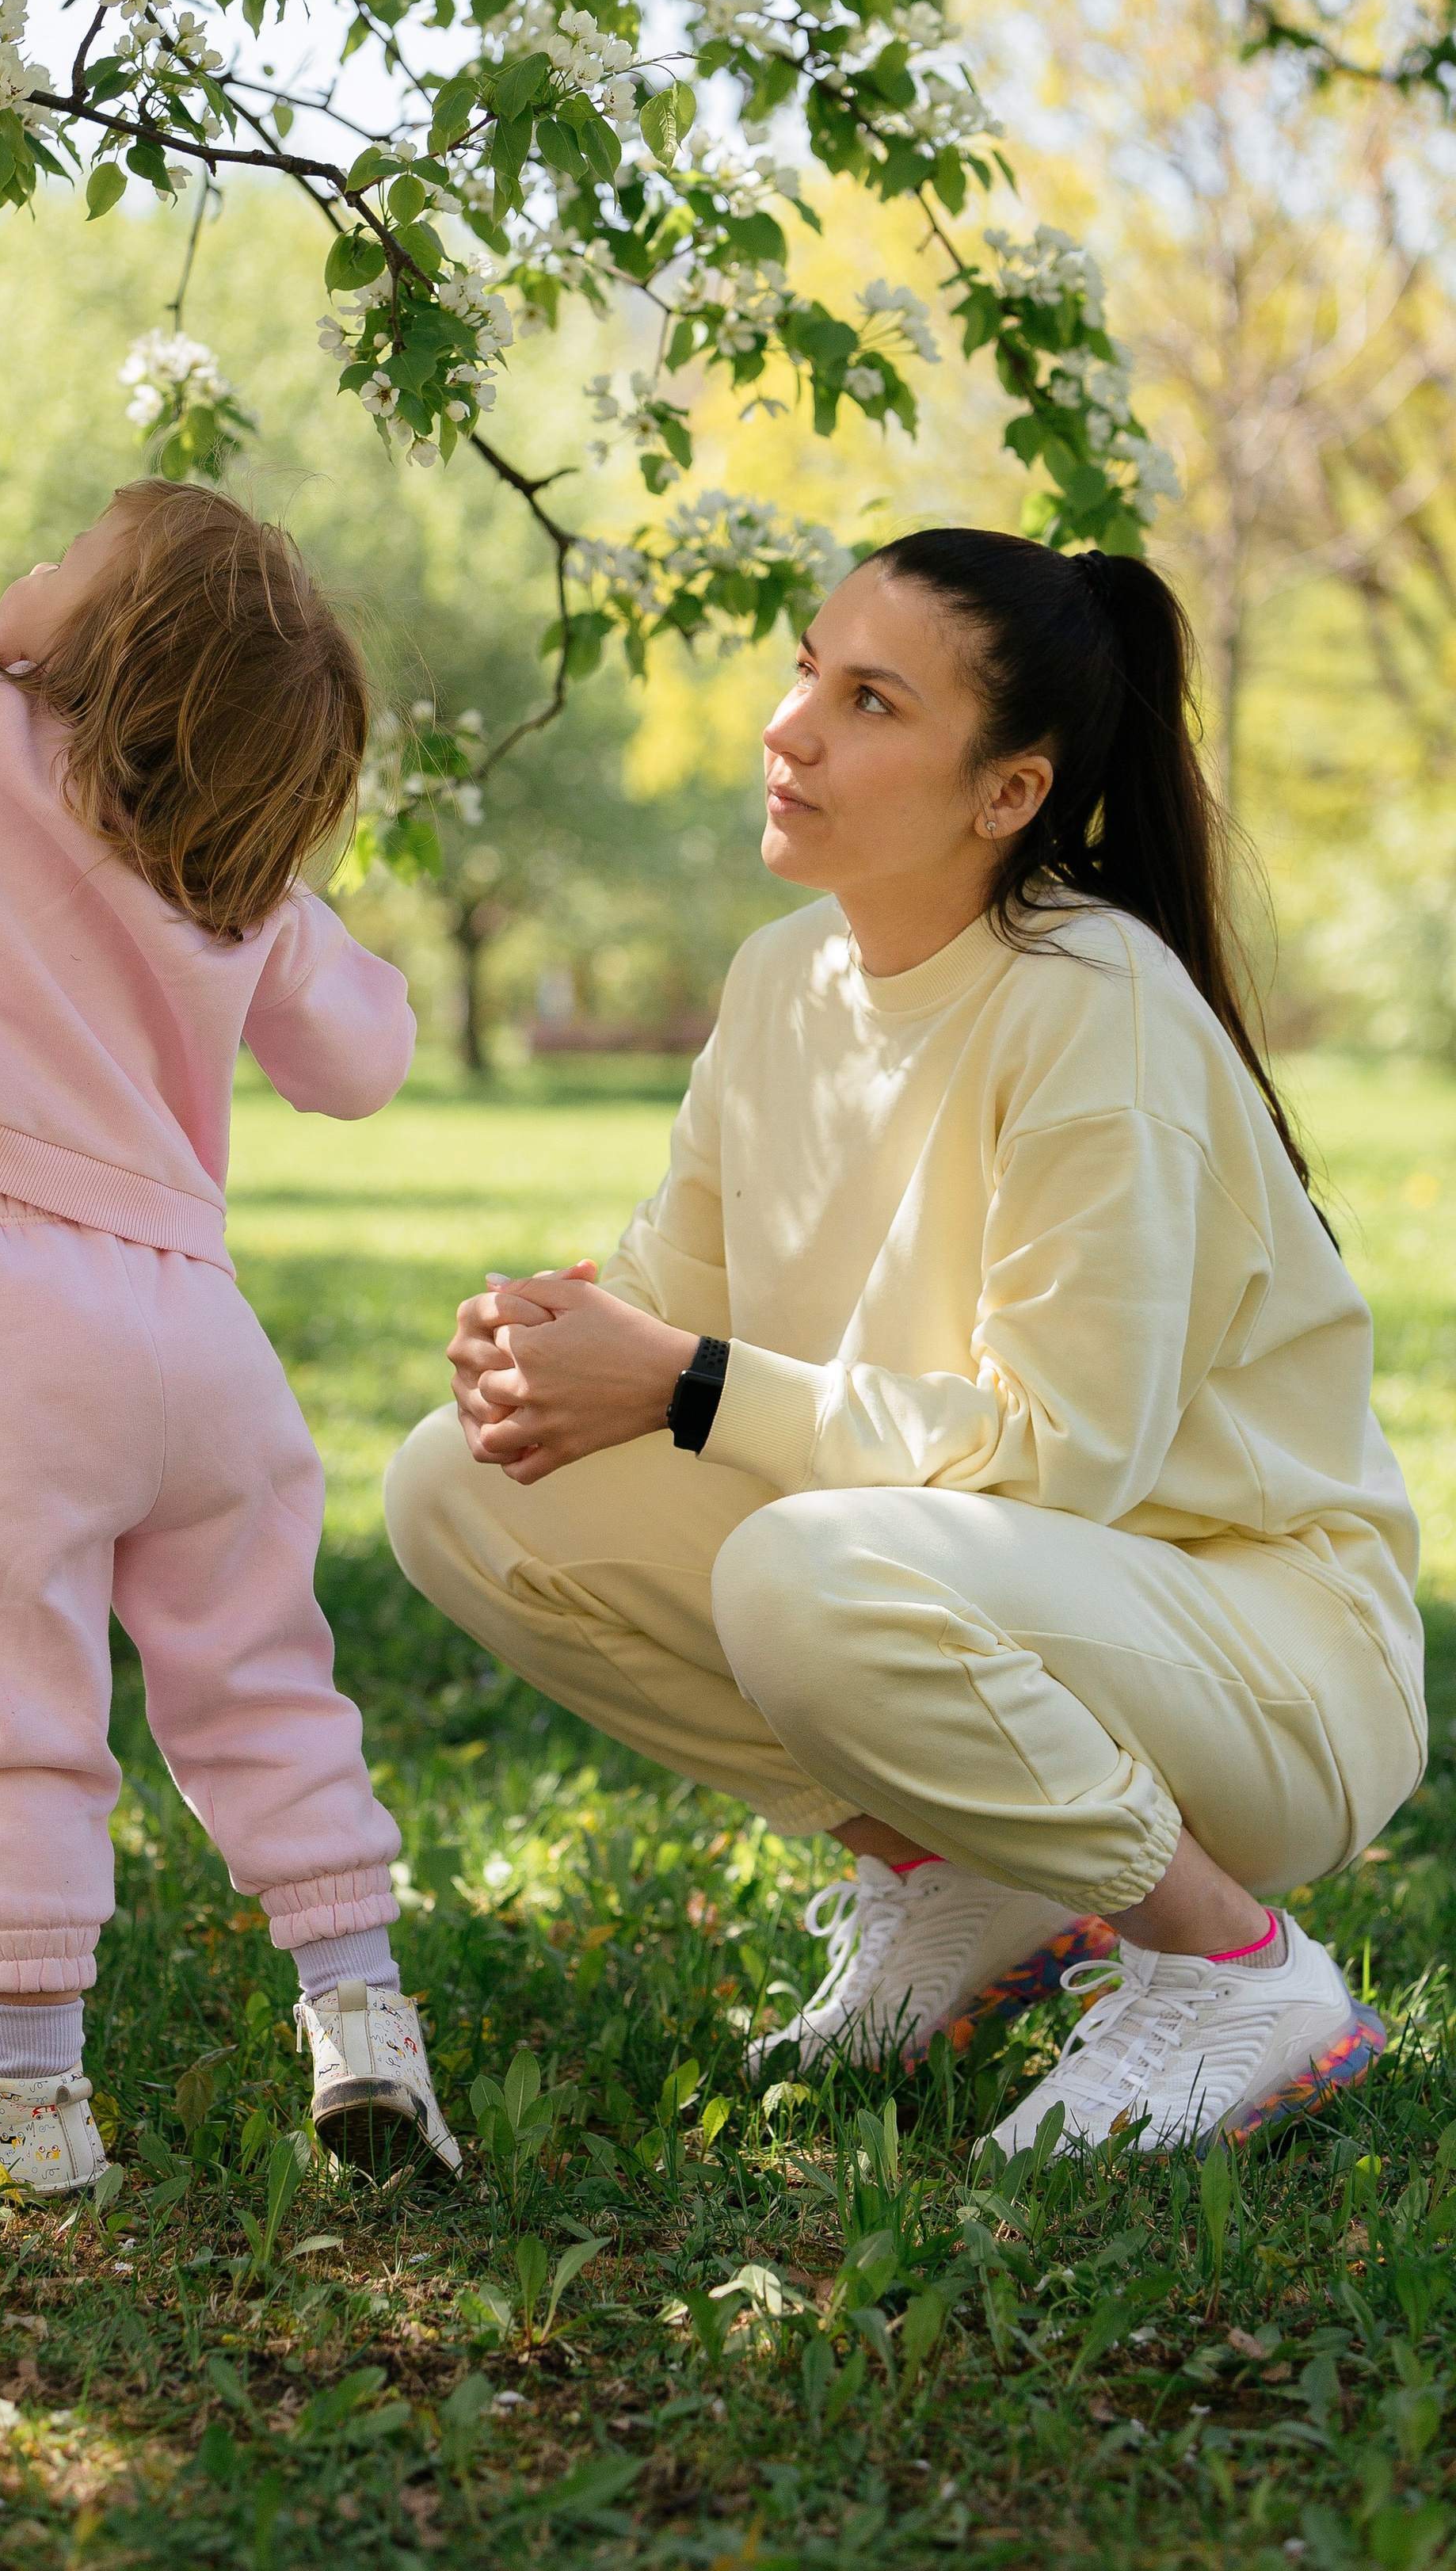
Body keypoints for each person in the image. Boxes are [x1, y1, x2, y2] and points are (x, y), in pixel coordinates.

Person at [386, 527, 1424, 2156]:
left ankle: (1231, 1965)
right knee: (461, 1487)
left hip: (1263, 1655)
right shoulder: (780, 980)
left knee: (806, 1574)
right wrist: (549, 1342)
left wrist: (679, 1381)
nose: (788, 727)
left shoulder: (1093, 1002)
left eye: (866, 699)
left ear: (1003, 793)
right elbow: (672, 1305)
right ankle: (958, 1886)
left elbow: (1060, 1458)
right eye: (805, 669)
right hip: (988, 1602)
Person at [0, 142, 459, 2196]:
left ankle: (35, 2099)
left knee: (11, 1697)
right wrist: (276, 891)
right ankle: (362, 2016)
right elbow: (370, 1058)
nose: (19, 568)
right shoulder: (230, 882)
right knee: (262, 1686)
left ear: (108, 643)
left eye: (69, 550)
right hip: (198, 1339)